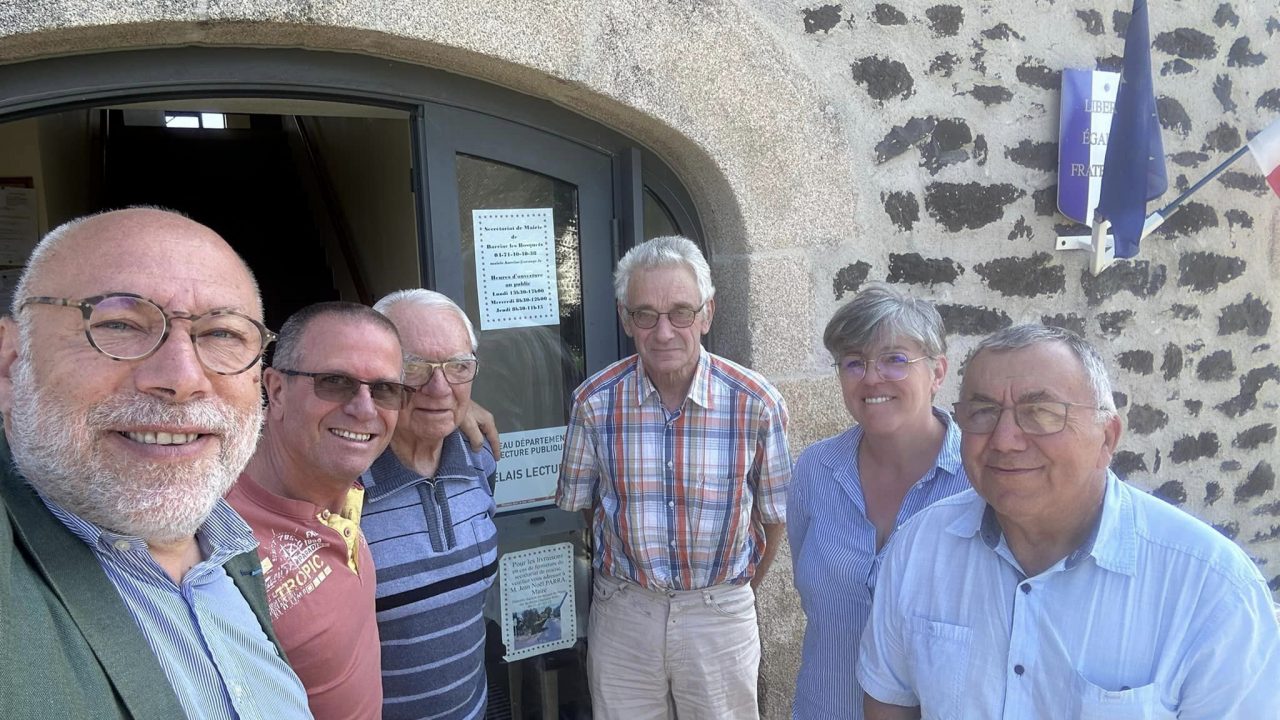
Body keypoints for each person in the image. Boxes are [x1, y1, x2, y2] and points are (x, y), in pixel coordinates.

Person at [858, 324, 1280, 719]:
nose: (1005, 440)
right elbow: (890, 703)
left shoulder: (1212, 589)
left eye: (1041, 412)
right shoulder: (920, 546)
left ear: (1107, 438)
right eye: (983, 411)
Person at [0, 208, 312, 718]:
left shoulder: (228, 543)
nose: (182, 378)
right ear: (11, 362)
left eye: (223, 334)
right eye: (120, 324)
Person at [556, 235, 792, 720]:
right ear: (625, 319)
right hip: (624, 614)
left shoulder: (756, 404)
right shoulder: (594, 403)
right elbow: (587, 506)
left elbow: (775, 517)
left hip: (719, 616)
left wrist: (731, 593)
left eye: (681, 312)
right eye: (645, 314)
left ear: (707, 314)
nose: (663, 332)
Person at [788, 284, 969, 720]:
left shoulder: (978, 481)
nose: (871, 378)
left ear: (938, 372)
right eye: (854, 362)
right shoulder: (816, 470)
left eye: (895, 359)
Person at [227, 301, 413, 719]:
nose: (365, 409)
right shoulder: (217, 542)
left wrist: (460, 408)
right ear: (276, 390)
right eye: (334, 382)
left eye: (385, 389)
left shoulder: (342, 482)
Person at [361, 288, 499, 720]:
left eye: (458, 366)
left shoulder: (479, 458)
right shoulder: (338, 483)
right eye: (414, 366)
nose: (439, 387)